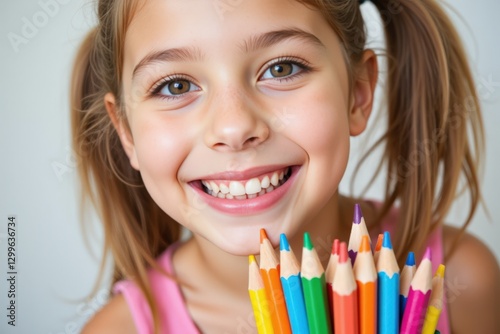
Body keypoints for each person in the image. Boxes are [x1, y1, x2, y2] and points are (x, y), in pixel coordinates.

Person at [71, 0, 500, 333]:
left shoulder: (462, 284)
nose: (234, 127)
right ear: (126, 131)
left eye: (282, 68)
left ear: (358, 93)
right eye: (176, 86)